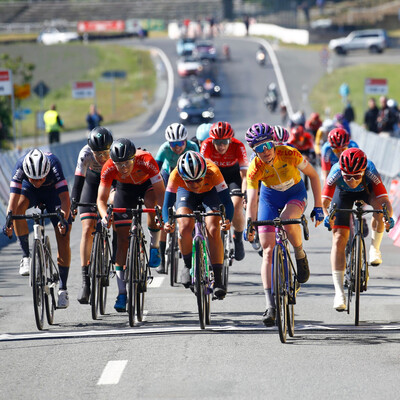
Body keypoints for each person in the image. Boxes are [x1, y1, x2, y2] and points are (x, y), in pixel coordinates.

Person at [244, 123, 323, 327]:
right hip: (269, 198)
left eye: (268, 145)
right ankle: (270, 305)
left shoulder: (290, 153)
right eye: (259, 149)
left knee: (288, 221)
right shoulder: (255, 167)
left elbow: (313, 176)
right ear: (254, 151)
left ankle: (299, 253)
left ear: (274, 143)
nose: (266, 151)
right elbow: (252, 200)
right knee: (268, 249)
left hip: (295, 193)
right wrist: (249, 223)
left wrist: (319, 206)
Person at [97, 138, 165, 312]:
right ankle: (121, 293)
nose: (124, 168)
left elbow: (161, 193)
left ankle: (154, 245)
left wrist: (160, 213)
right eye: (120, 165)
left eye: (127, 163)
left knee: (152, 204)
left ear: (134, 158)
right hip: (125, 190)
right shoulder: (109, 167)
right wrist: (105, 217)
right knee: (122, 240)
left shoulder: (147, 160)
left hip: (147, 186)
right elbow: (101, 200)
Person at [322, 148, 394, 310]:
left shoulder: (370, 170)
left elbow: (385, 201)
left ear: (363, 171)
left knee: (380, 210)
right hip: (342, 195)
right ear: (342, 172)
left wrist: (387, 217)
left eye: (356, 176)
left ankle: (375, 249)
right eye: (347, 176)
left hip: (366, 192)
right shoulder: (335, 172)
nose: (352, 180)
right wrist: (327, 216)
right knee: (339, 238)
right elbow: (324, 203)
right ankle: (339, 293)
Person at [3, 149, 72, 308]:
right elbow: (12, 201)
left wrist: (63, 219)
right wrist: (8, 223)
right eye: (34, 179)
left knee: (63, 235)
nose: (38, 182)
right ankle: (26, 256)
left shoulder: (54, 164)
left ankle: (62, 288)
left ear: (46, 171)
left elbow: (64, 198)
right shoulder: (20, 166)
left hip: (52, 193)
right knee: (19, 208)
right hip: (29, 192)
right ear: (27, 173)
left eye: (41, 178)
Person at [162, 151, 234, 299]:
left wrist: (228, 220)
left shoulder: (213, 170)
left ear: (204, 173)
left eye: (198, 180)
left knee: (213, 228)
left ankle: (219, 280)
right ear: (182, 177)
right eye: (189, 181)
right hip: (185, 194)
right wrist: (166, 223)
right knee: (184, 226)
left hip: (210, 194)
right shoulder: (175, 174)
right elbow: (167, 204)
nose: (194, 185)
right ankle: (188, 265)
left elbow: (227, 202)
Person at [71, 126, 114, 304]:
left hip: (111, 183)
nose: (102, 157)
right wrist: (74, 203)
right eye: (98, 153)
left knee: (115, 214)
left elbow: (120, 184)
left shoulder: (114, 153)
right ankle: (85, 281)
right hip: (91, 184)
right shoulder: (85, 153)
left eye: (105, 152)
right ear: (91, 149)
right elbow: (78, 182)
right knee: (87, 228)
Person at [200, 121, 248, 261]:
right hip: (213, 175)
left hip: (232, 176)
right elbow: (203, 172)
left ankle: (238, 239)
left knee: (236, 206)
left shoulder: (238, 146)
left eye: (225, 142)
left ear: (230, 139)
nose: (221, 146)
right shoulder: (206, 145)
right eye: (217, 142)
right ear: (211, 140)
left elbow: (244, 176)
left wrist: (244, 194)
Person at [154, 122, 199, 274]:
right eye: (173, 144)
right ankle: (162, 257)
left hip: (187, 175)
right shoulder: (164, 149)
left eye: (180, 143)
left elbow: (200, 168)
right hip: (169, 173)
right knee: (163, 210)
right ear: (168, 143)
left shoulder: (193, 147)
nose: (177, 147)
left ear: (186, 140)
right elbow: (155, 172)